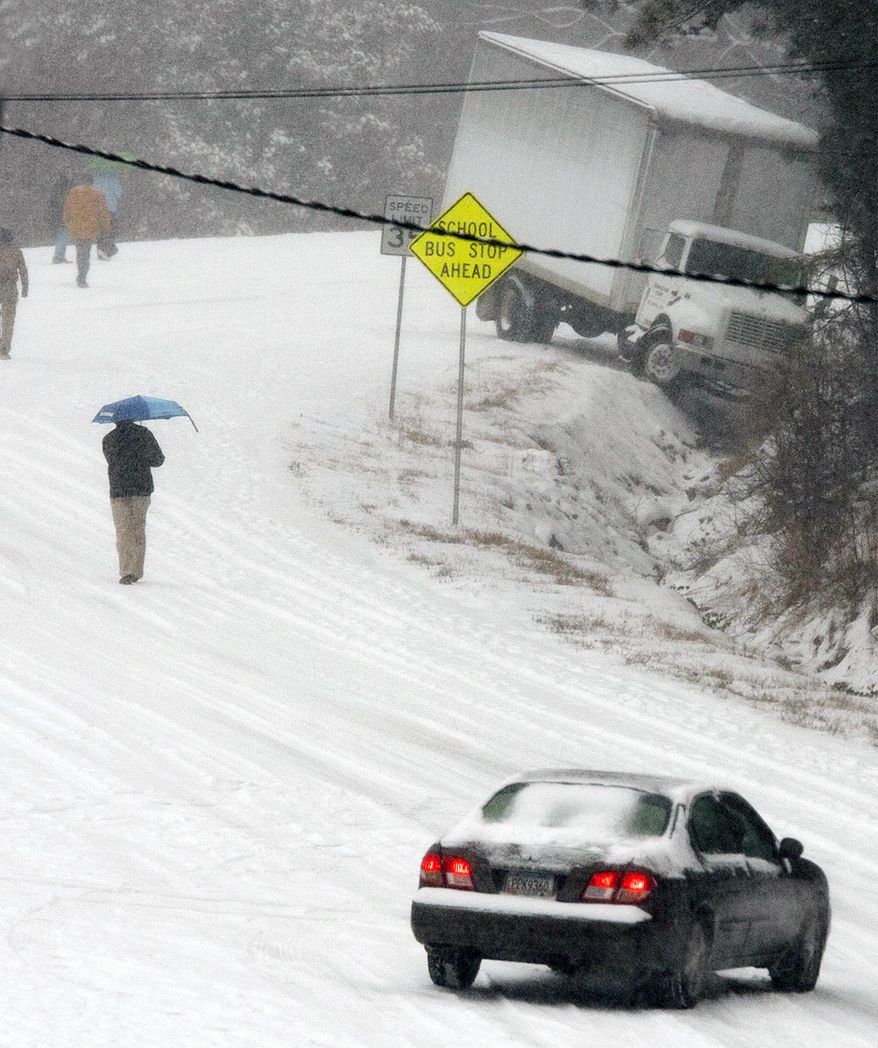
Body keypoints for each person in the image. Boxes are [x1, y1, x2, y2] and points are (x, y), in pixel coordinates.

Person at [102, 419, 165, 584]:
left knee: (123, 530)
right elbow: (158, 460)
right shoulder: (144, 434)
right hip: (141, 488)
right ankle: (135, 570)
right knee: (137, 529)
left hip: (118, 490)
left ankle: (125, 570)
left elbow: (111, 461)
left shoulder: (108, 438)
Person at [63, 176, 112, 287]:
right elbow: (103, 212)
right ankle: (82, 277)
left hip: (76, 227)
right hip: (90, 227)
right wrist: (106, 226)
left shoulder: (73, 193)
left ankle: (81, 273)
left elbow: (66, 210)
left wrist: (68, 223)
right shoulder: (97, 194)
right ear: (92, 182)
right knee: (85, 252)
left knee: (80, 251)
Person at [0, 228, 29, 359]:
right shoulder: (16, 252)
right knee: (8, 319)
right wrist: (25, 287)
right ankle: (4, 349)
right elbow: (23, 270)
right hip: (10, 288)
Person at [47, 174, 74, 263]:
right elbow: (64, 202)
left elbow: (53, 202)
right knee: (63, 235)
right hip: (62, 215)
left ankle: (60, 255)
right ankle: (58, 256)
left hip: (57, 215)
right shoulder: (64, 189)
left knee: (62, 235)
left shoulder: (56, 187)